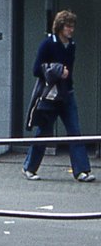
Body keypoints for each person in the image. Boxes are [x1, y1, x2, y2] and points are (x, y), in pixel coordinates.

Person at [24, 10, 95, 182]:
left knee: (74, 131)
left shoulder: (72, 45)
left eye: (72, 27)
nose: (71, 30)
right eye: (68, 26)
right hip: (50, 96)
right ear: (60, 27)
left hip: (66, 94)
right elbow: (36, 69)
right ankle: (29, 167)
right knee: (44, 132)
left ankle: (82, 171)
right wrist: (57, 71)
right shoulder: (48, 44)